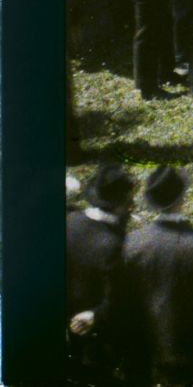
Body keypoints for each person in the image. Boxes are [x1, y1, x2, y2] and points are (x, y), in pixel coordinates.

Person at [109, 165, 193, 387]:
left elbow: (122, 298)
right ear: (181, 198)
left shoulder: (133, 242)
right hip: (190, 352)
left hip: (146, 350)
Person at [68, 162, 134, 386]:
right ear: (120, 204)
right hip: (98, 335)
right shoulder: (114, 244)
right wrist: (96, 315)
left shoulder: (71, 222)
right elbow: (118, 298)